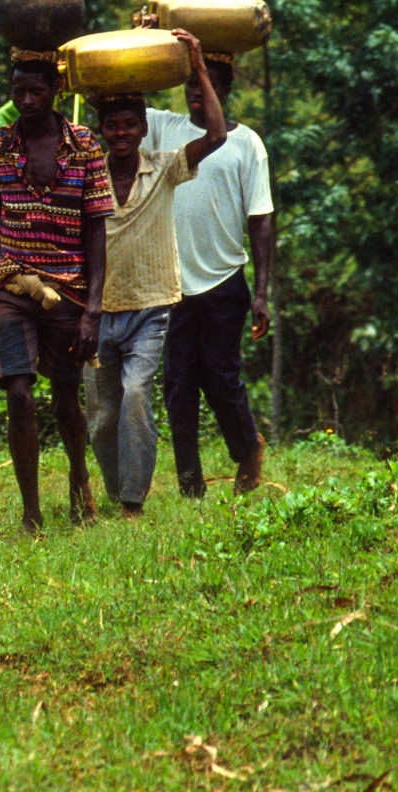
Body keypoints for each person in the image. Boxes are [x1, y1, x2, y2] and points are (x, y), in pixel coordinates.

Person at [87, 31, 226, 519]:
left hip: (151, 307)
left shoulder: (165, 168)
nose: (121, 133)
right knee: (102, 420)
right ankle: (116, 487)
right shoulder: (89, 177)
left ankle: (132, 501)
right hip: (99, 311)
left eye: (130, 125)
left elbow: (216, 136)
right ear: (103, 129)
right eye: (112, 126)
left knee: (134, 397)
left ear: (143, 129)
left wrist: (199, 68)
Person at [0, 58, 110, 530]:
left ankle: (79, 477)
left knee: (66, 399)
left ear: (55, 88)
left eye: (36, 91)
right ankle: (31, 512)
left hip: (69, 290)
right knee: (18, 393)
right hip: (11, 283)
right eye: (19, 92)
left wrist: (93, 309)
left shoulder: (86, 144)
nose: (27, 101)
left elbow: (96, 228)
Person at [143, 50, 273, 496]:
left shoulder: (247, 143)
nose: (199, 93)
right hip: (172, 284)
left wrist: (261, 293)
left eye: (210, 84)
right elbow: (120, 102)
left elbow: (260, 218)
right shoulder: (164, 128)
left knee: (221, 377)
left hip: (224, 282)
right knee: (179, 386)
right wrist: (146, 46)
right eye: (194, 84)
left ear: (226, 90)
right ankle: (189, 483)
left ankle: (247, 450)